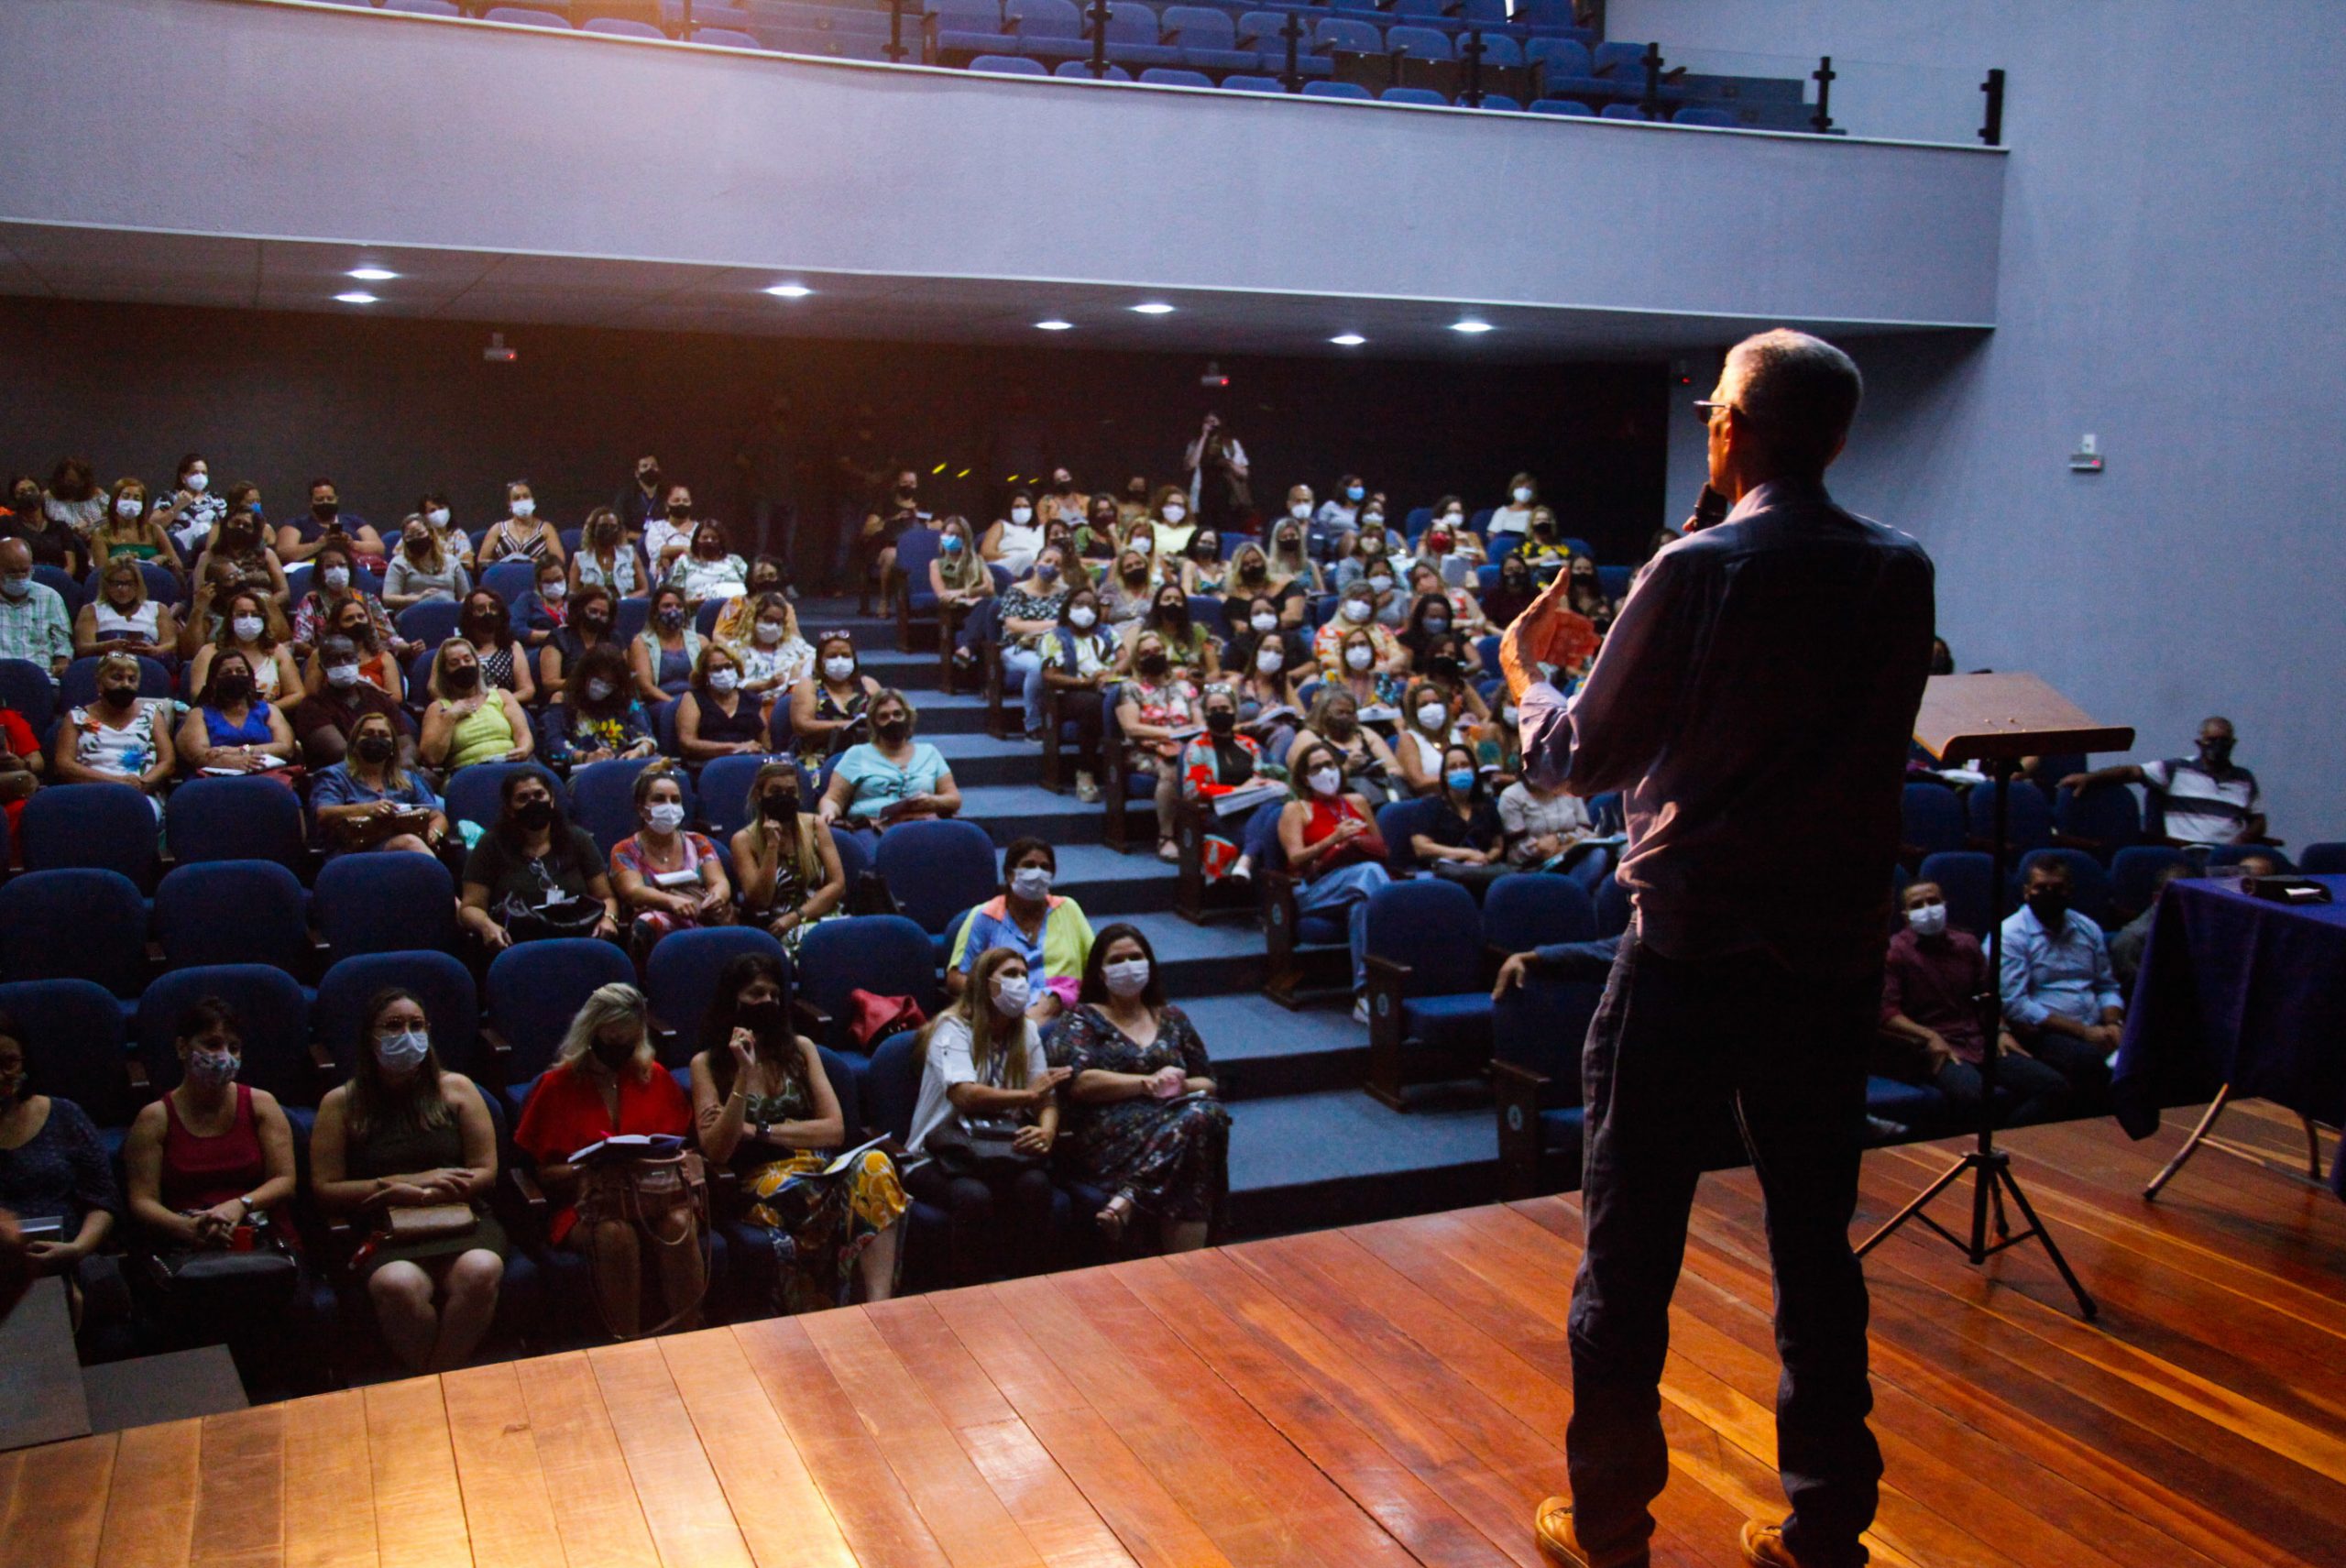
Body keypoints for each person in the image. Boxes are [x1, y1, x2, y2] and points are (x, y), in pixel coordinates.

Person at [1508, 329, 1931, 1568]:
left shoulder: (1697, 569)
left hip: (1691, 952)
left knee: (1630, 1246)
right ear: (1838, 436)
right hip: (1831, 959)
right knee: (1815, 1242)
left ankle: (1609, 1524)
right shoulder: (1898, 567)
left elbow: (1575, 758)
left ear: (1728, 426)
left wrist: (1524, 676)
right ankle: (1826, 1524)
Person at [689, 952, 904, 1311]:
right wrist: (743, 1073)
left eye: (774, 995)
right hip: (761, 1182)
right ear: (733, 1000)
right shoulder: (707, 1064)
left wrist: (756, 1130)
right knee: (793, 1190)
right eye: (756, 994)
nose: (767, 1002)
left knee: (877, 1165)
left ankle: (880, 1308)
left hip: (820, 1169)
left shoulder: (801, 1050)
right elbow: (717, 1150)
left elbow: (834, 1130)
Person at [311, 989, 506, 1373]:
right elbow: (326, 1188)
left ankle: (434, 1380)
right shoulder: (340, 1102)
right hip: (386, 1229)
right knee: (397, 1285)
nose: (408, 1034)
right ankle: (441, 1382)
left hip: (462, 1218)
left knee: (481, 1270)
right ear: (371, 1036)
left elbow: (485, 1171)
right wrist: (401, 1185)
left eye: (417, 1025)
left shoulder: (458, 1089)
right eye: (394, 1025)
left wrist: (421, 1195)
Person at [121, 998, 303, 1367]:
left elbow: (284, 1181)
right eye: (212, 1044)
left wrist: (239, 1205)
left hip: (260, 1240)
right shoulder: (155, 1118)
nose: (225, 1056)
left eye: (233, 1047)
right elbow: (142, 1201)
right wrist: (187, 1229)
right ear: (182, 1048)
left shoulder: (261, 1104)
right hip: (189, 1249)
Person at [514, 984, 705, 1338]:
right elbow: (544, 1174)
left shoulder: (653, 1075)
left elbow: (681, 1146)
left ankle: (689, 1335)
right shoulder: (556, 1086)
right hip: (586, 1204)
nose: (620, 1048)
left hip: (651, 1196)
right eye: (612, 1039)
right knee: (616, 1234)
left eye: (628, 1040)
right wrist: (587, 1169)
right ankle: (626, 1342)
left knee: (680, 1222)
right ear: (592, 1032)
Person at [1048, 926, 1227, 1247]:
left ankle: (1130, 1197)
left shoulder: (1172, 1017)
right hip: (1110, 1135)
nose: (1128, 966)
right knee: (1201, 1125)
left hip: (1176, 1124)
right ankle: (1191, 1270)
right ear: (1100, 972)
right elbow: (1078, 1082)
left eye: (1135, 957)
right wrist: (1146, 1084)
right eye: (1117, 960)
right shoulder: (1081, 1018)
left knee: (1202, 1119)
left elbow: (1208, 1082)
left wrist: (1179, 1084)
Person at [905, 948, 1068, 1287]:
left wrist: (1047, 1132)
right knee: (973, 1196)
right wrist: (1027, 1096)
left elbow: (1046, 1098)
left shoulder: (1026, 1031)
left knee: (1036, 1184)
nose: (1019, 982)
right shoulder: (951, 1029)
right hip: (938, 1154)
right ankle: (972, 1293)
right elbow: (964, 1094)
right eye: (1010, 974)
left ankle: (1028, 1286)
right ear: (984, 982)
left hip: (999, 1151)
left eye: (1023, 975)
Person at [1880, 881, 2073, 1129]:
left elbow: (1986, 996)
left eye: (1933, 901)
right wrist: (1929, 1036)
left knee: (2055, 1087)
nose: (1927, 909)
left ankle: (2006, 1142)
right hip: (1937, 1048)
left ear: (1945, 905)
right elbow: (1888, 1013)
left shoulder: (1967, 944)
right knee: (1976, 1098)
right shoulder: (1895, 952)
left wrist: (2001, 1030)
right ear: (1905, 915)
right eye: (1918, 905)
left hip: (1980, 1040)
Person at [0, 1014, 118, 1328]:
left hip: (70, 1256)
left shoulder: (66, 1116)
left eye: (8, 1063)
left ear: (24, 1063)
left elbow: (103, 1201)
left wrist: (77, 1249)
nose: (0, 1075)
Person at [1279, 739, 1394, 1018]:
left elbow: (1380, 847)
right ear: (1304, 778)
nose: (1325, 771)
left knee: (1361, 906)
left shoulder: (1357, 802)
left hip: (1358, 886)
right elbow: (1295, 859)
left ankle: (1365, 994)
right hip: (1315, 889)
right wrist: (1334, 839)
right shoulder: (1296, 809)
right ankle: (1395, 921)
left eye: (1329, 764)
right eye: (1316, 768)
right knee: (1370, 874)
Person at [1999, 859, 2123, 1108]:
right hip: (2043, 1032)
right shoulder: (2010, 934)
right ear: (2026, 892)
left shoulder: (2087, 928)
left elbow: (2106, 986)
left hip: (2097, 1026)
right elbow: (2016, 1005)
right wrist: (2083, 1032)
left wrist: (2113, 1023)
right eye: (2041, 888)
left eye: (2057, 888)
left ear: (2070, 891)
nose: (2049, 894)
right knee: (2087, 1060)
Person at [460, 769, 622, 948]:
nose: (533, 803)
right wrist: (486, 926)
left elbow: (606, 897)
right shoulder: (491, 844)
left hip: (577, 939)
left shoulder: (577, 839)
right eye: (523, 798)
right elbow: (470, 908)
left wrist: (609, 918)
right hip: (516, 944)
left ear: (551, 800)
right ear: (509, 809)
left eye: (539, 795)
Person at [947, 838, 1096, 1021]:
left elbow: (1096, 965)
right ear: (1010, 874)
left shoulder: (1068, 909)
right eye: (1029, 865)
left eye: (1045, 867)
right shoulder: (985, 916)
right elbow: (956, 978)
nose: (1038, 873)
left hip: (1064, 1013)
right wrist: (995, 996)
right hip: (1001, 1013)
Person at [2059, 717, 2266, 848]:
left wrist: (2242, 840)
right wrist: (2091, 778)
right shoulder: (2177, 769)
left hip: (2231, 856)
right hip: (2189, 853)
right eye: (2212, 740)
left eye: (2224, 741)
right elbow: (2132, 771)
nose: (2218, 746)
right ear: (2199, 743)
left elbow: (2258, 820)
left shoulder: (2244, 779)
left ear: (2233, 743)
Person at [609, 763, 733, 959]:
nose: (669, 806)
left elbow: (718, 881)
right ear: (641, 809)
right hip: (655, 925)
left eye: (675, 800)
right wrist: (670, 901)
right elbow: (633, 891)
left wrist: (717, 896)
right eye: (659, 799)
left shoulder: (698, 841)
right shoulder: (624, 849)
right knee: (648, 922)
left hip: (702, 915)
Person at [730, 759, 846, 953]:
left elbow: (837, 884)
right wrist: (771, 846)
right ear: (759, 795)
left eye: (791, 792)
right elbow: (760, 900)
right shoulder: (743, 840)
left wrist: (797, 916)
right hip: (778, 926)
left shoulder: (815, 825)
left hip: (824, 916)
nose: (784, 797)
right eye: (776, 792)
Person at [819, 688, 959, 841]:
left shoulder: (929, 752)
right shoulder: (856, 754)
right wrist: (828, 812)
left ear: (908, 717)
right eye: (884, 716)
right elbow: (832, 799)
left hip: (923, 825)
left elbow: (954, 799)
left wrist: (932, 801)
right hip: (872, 829)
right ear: (874, 723)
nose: (892, 720)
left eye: (897, 714)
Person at [1182, 683, 1284, 884]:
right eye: (1213, 710)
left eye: (1224, 708)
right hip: (1221, 815)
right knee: (1272, 829)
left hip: (1253, 810)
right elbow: (1194, 790)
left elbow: (1259, 779)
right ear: (1205, 714)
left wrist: (1266, 784)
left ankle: (1246, 861)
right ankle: (1266, 889)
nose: (1220, 713)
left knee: (1275, 808)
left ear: (1234, 711)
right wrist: (1237, 790)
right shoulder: (1197, 747)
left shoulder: (1249, 744)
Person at [1116, 630, 1202, 861]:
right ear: (1137, 660)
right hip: (1146, 751)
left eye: (1157, 650)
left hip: (1186, 747)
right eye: (1145, 653)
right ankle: (1166, 837)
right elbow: (1131, 728)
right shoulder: (1131, 688)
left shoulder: (1185, 686)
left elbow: (1200, 723)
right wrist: (1172, 733)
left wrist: (1185, 736)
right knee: (1172, 769)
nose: (1152, 656)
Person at [312, 709, 446, 856]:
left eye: (383, 735)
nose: (376, 739)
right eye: (368, 734)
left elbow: (437, 816)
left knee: (411, 843)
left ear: (393, 747)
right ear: (354, 743)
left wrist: (434, 833)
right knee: (409, 842)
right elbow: (323, 814)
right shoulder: (334, 776)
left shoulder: (407, 778)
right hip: (352, 855)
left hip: (404, 851)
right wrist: (368, 809)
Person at [52, 650, 174, 808]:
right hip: (90, 792)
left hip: (141, 795)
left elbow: (168, 762)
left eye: (132, 679)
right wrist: (117, 783)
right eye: (117, 678)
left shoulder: (151, 714)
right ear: (99, 682)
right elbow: (64, 765)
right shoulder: (77, 717)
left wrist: (141, 784)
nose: (126, 684)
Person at [1033, 586, 1118, 804]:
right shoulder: (1054, 637)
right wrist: (1085, 682)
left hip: (1106, 688)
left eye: (1091, 606)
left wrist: (1111, 673)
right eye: (1079, 604)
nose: (1085, 610)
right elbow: (1050, 675)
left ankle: (1123, 766)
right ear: (1068, 607)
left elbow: (1124, 657)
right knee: (1094, 704)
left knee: (1121, 699)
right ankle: (1085, 771)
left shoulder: (1107, 633)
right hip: (1068, 694)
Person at [420, 639, 533, 773]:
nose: (463, 665)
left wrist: (523, 749)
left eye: (467, 660)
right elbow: (432, 758)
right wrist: (450, 717)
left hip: (510, 767)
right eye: (454, 663)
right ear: (445, 671)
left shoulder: (502, 695)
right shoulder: (438, 708)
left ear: (477, 663)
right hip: (470, 774)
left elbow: (524, 736)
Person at [177, 652, 298, 777]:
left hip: (266, 775)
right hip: (216, 778)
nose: (234, 676)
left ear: (250, 677)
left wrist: (236, 751)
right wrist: (232, 762)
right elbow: (200, 754)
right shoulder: (199, 714)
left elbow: (286, 748)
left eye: (240, 671)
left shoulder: (270, 710)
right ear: (214, 682)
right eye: (226, 673)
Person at [1414, 744, 1507, 894]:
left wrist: (1485, 858)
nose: (1459, 770)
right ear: (1444, 774)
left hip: (1483, 871)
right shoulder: (1431, 805)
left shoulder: (1487, 804)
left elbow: (1497, 846)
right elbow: (1421, 847)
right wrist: (1466, 854)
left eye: (1464, 765)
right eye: (1453, 767)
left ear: (1474, 770)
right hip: (1446, 875)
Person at [189, 587, 301, 710]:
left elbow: (297, 694)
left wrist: (265, 709)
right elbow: (197, 693)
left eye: (255, 615)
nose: (249, 620)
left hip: (266, 716)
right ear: (230, 620)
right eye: (242, 615)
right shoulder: (209, 652)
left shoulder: (277, 652)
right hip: (219, 715)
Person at [548, 642, 658, 766]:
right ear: (585, 675)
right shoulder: (562, 700)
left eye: (609, 684)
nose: (602, 687)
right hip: (585, 768)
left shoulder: (626, 702)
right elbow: (554, 743)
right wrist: (585, 757)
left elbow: (648, 739)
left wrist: (638, 752)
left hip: (623, 764)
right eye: (598, 680)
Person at [1294, 686, 1402, 807]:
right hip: (1339, 801)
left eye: (1350, 713)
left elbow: (1395, 768)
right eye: (1340, 712)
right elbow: (1314, 784)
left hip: (1382, 793)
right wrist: (1348, 766)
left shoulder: (1363, 733)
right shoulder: (1308, 737)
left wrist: (1382, 771)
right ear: (1323, 713)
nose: (1345, 717)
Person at [789, 630, 881, 767]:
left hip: (864, 757)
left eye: (845, 655)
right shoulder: (808, 685)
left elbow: (886, 718)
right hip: (817, 758)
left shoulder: (869, 685)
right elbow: (802, 725)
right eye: (832, 656)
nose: (839, 661)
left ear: (853, 659)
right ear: (820, 660)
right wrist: (846, 725)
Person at [2109, 861, 2198, 996]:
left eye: (2191, 898)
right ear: (2157, 899)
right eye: (2179, 899)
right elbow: (2138, 996)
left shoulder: (2203, 929)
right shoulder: (2131, 941)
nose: (2187, 905)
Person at [289, 540, 396, 653]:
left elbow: (389, 637)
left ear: (349, 569)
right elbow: (300, 643)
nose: (337, 570)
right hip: (326, 658)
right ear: (321, 573)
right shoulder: (312, 601)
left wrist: (406, 647)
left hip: (368, 656)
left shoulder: (367, 599)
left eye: (342, 565)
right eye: (329, 566)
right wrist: (322, 656)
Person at [852, 469, 929, 615]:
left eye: (912, 483)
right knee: (891, 555)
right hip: (889, 547)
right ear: (897, 484)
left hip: (916, 548)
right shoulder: (884, 505)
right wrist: (893, 519)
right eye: (905, 482)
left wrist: (919, 518)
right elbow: (868, 530)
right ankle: (884, 600)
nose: (909, 486)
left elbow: (938, 524)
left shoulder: (922, 507)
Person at [75, 557, 180, 661]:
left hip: (148, 662)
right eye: (117, 584)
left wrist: (154, 650)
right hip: (106, 663)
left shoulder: (158, 608)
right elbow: (83, 648)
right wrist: (106, 646)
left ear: (138, 584)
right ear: (106, 585)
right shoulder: (91, 610)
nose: (123, 590)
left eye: (129, 584)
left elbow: (171, 644)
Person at [674, 643, 765, 762]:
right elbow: (687, 742)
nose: (724, 673)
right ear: (705, 674)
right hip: (708, 764)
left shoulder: (752, 699)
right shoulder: (693, 698)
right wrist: (734, 748)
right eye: (716, 669)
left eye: (728, 666)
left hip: (749, 762)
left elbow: (765, 744)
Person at [723, 590, 814, 702]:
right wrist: (766, 685)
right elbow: (731, 683)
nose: (774, 626)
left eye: (778, 622)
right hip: (752, 705)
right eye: (768, 620)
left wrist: (799, 666)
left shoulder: (794, 644)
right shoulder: (733, 649)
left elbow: (819, 659)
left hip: (791, 703)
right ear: (753, 618)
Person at [0, 539, 73, 675]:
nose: (20, 577)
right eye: (12, 572)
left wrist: (62, 664)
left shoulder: (50, 597)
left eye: (25, 571)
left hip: (41, 678)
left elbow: (63, 645)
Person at [89, 480, 187, 581]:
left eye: (136, 498)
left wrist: (164, 559)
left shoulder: (154, 530)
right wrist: (120, 562)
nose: (131, 502)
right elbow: (100, 575)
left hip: (153, 582)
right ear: (115, 501)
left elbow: (178, 566)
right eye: (126, 497)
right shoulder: (101, 533)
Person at [539, 582, 619, 701]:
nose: (598, 617)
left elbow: (622, 676)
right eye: (593, 611)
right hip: (569, 698)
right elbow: (549, 683)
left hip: (608, 700)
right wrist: (586, 684)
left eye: (603, 614)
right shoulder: (559, 638)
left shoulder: (613, 638)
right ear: (580, 609)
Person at [1313, 581, 1404, 682]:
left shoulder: (1381, 629)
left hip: (1385, 679)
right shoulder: (1327, 632)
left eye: (1366, 602)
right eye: (1355, 600)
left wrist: (1385, 669)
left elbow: (1399, 656)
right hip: (1344, 683)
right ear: (1344, 602)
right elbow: (1330, 662)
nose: (1360, 605)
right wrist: (1373, 670)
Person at [456, 590, 535, 705]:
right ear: (470, 615)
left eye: (493, 608)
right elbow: (435, 687)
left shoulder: (513, 647)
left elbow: (527, 690)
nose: (488, 613)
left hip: (503, 707)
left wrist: (494, 701)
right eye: (480, 609)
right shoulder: (457, 646)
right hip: (465, 707)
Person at [1181, 413, 1249, 537]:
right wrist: (1203, 437)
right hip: (1203, 498)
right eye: (1207, 421)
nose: (1211, 424)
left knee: (1226, 532)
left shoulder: (1231, 444)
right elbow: (1190, 465)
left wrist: (1229, 463)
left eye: (1214, 421)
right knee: (1205, 531)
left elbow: (1244, 473)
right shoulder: (1195, 444)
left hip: (1228, 499)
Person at [630, 585, 701, 703]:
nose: (674, 610)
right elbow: (646, 687)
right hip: (662, 702)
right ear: (655, 611)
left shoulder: (700, 641)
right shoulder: (641, 643)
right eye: (667, 606)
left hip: (696, 701)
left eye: (679, 606)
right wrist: (678, 704)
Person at [2, 473, 82, 576]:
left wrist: (59, 580)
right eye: (22, 492)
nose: (28, 494)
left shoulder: (61, 527)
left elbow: (70, 565)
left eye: (32, 490)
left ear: (41, 493)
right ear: (14, 498)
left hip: (58, 579)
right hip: (24, 578)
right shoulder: (7, 524)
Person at [381, 521, 470, 610]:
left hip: (448, 611)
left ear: (430, 534)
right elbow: (388, 598)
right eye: (409, 537)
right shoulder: (399, 563)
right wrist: (418, 598)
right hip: (414, 612)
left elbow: (466, 597)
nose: (416, 539)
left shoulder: (452, 561)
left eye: (420, 534)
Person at [478, 481, 565, 568]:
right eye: (516, 498)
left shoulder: (546, 529)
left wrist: (530, 561)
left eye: (526, 496)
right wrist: (504, 563)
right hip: (504, 574)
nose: (522, 500)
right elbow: (482, 561)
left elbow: (559, 561)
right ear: (509, 504)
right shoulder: (498, 529)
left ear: (533, 500)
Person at [669, 517, 749, 608]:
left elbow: (752, 585)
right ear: (697, 540)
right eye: (705, 538)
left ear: (721, 541)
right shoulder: (684, 561)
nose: (709, 541)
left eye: (714, 538)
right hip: (699, 611)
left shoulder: (735, 560)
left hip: (738, 610)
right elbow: (674, 598)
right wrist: (690, 603)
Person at [571, 507, 646, 600]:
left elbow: (644, 590)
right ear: (593, 529)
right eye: (603, 526)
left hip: (624, 605)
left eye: (613, 527)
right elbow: (573, 594)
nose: (608, 530)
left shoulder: (630, 554)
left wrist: (623, 600)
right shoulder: (580, 559)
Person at [928, 515, 994, 617]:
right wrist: (966, 600)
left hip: (983, 605)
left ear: (965, 538)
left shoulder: (977, 560)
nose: (953, 538)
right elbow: (943, 595)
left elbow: (989, 588)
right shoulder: (936, 564)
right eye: (950, 534)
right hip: (959, 609)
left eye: (958, 535)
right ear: (943, 535)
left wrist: (961, 592)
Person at [163, 455, 224, 557]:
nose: (200, 477)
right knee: (202, 527)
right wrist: (178, 505)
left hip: (208, 540)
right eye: (195, 473)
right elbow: (155, 525)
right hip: (180, 543)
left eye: (203, 473)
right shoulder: (170, 497)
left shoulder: (215, 498)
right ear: (183, 477)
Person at [981, 490, 1047, 580]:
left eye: (1026, 506)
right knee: (1029, 557)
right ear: (1010, 509)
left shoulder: (1042, 529)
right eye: (1017, 507)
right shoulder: (1001, 525)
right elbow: (986, 552)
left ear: (1032, 509)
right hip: (1006, 565)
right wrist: (1016, 558)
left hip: (1036, 564)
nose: (1021, 510)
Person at [41, 456, 107, 538]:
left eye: (78, 482)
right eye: (70, 482)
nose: (75, 487)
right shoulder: (48, 498)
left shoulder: (97, 494)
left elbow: (112, 517)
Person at [615, 455, 666, 538]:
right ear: (637, 473)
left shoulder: (668, 495)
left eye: (653, 466)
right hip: (633, 543)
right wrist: (646, 539)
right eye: (645, 466)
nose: (650, 469)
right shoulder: (625, 497)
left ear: (659, 470)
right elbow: (620, 528)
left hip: (664, 543)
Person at [1484, 552, 1538, 628]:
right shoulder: (1494, 595)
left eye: (1519, 569)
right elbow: (1488, 622)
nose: (1515, 573)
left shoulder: (1536, 594)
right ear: (1503, 573)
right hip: (1503, 632)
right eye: (1509, 570)